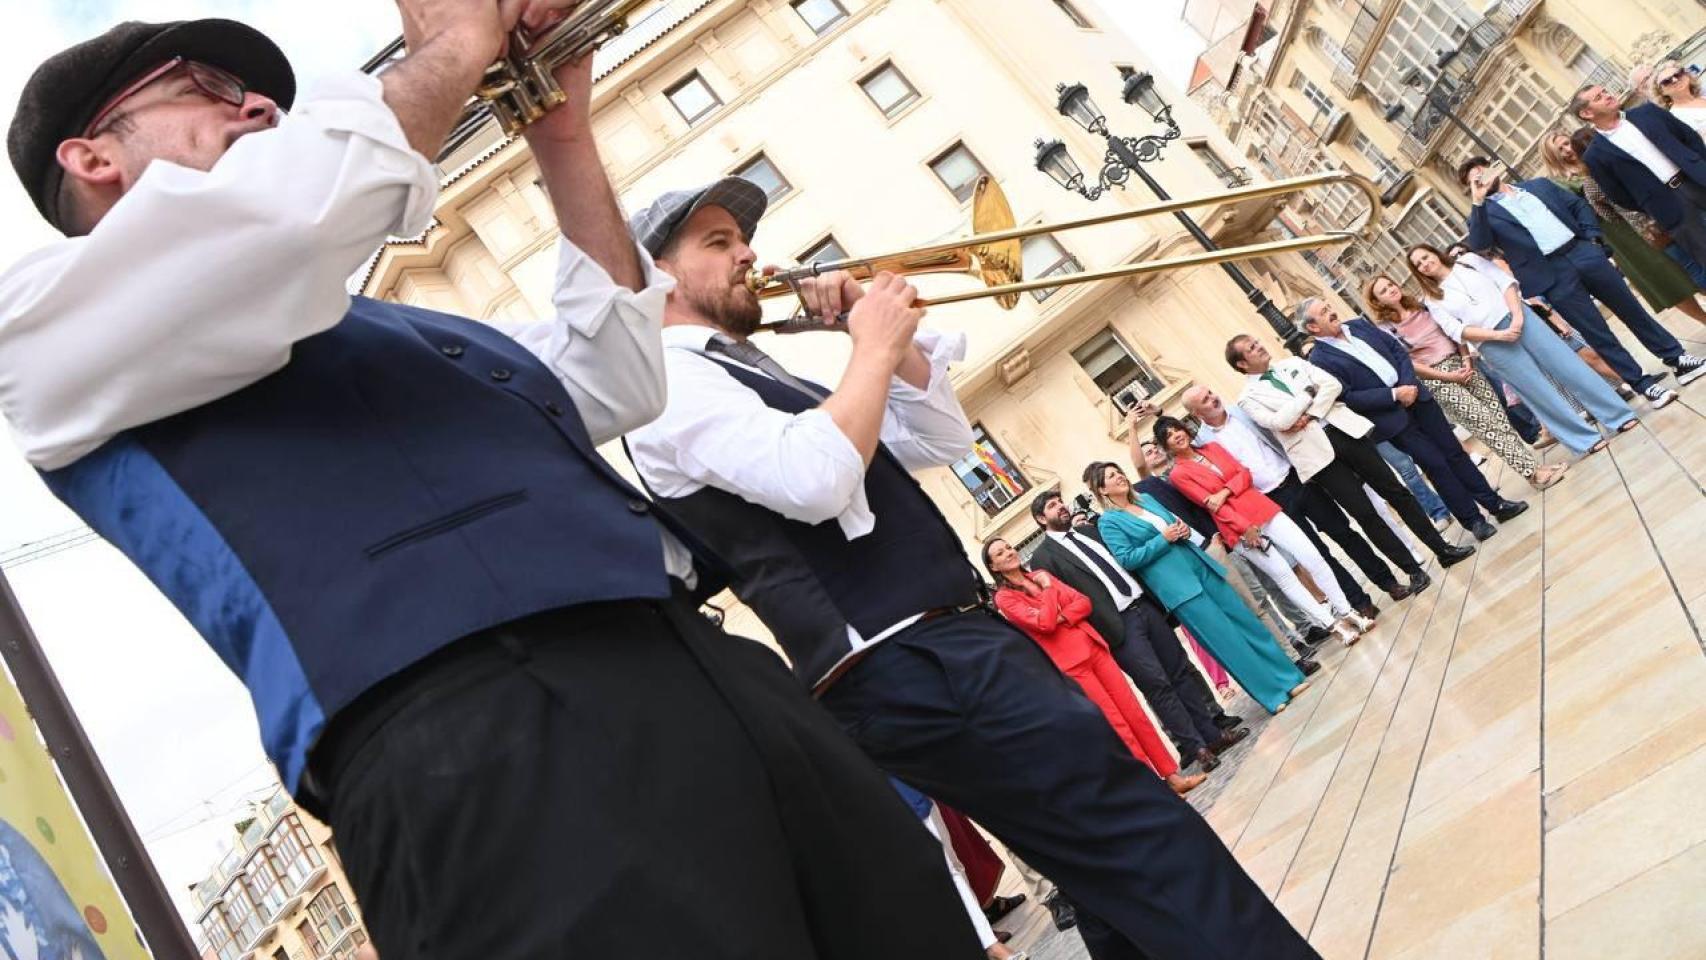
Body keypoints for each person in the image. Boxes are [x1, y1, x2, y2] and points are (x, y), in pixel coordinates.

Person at [0, 12, 986, 959]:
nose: (261, 105)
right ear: (94, 157)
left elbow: (615, 377)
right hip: (471, 732)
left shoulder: (396, 322)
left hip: (691, 662)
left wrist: (559, 133)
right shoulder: (40, 327)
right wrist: (455, 44)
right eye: (209, 90)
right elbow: (283, 224)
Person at [622, 182, 1317, 957]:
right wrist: (870, 346)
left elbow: (939, 442)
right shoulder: (670, 386)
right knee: (1136, 827)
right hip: (903, 657)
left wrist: (897, 347)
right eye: (717, 243)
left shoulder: (755, 373)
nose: (749, 251)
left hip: (939, 649)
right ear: (650, 279)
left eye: (739, 237)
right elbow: (813, 482)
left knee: (1100, 871)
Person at [1027, 492, 1248, 773]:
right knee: (1158, 685)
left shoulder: (1089, 531)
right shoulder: (1043, 558)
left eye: (1060, 502)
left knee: (1180, 670)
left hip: (1145, 607)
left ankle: (1213, 736)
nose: (1060, 507)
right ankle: (1197, 748)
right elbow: (1063, 599)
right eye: (1051, 506)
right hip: (1116, 626)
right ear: (1040, 519)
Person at [1458, 154, 1699, 403]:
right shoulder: (1482, 215)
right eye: (1473, 180)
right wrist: (1478, 202)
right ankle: (1643, 384)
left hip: (1582, 252)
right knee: (1597, 333)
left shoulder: (1538, 186)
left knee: (1633, 311)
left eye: (1481, 172)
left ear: (1493, 169)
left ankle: (1677, 358)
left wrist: (1592, 240)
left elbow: (1578, 205)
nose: (1480, 179)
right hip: (1552, 275)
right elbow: (1480, 244)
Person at [1227, 335, 1477, 572]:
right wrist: (1308, 393)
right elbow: (1280, 422)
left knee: (1396, 492)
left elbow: (1332, 385)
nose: (1259, 346)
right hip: (1317, 456)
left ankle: (1442, 549)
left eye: (1256, 342)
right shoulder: (1247, 398)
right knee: (1365, 513)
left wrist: (1310, 414)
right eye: (1251, 348)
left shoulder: (1292, 363)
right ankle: (1412, 569)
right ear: (1241, 364)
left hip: (1346, 432)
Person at [984, 539, 1209, 796]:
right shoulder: (1005, 598)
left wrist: (1062, 616)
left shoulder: (1040, 575)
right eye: (1000, 553)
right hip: (1071, 665)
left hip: (1095, 648)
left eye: (1008, 547)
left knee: (1135, 714)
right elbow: (1044, 624)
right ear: (994, 566)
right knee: (1117, 725)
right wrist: (1049, 594)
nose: (1009, 552)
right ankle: (1151, 788)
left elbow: (1082, 602)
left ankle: (1172, 776)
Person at [1297, 298, 1533, 541]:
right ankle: (1473, 520)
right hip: (1391, 419)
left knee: (1454, 452)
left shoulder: (1358, 325)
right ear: (1313, 327)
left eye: (1328, 307)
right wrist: (1393, 394)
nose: (1332, 312)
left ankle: (1496, 505)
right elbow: (1347, 396)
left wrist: (1407, 384)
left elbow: (1398, 351)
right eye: (1324, 312)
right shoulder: (1319, 360)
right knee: (1436, 464)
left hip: (1418, 398)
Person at [1091, 462, 1311, 715]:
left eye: (1118, 471)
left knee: (1248, 624)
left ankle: (1290, 679)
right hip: (1179, 589)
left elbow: (1174, 523)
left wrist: (1182, 529)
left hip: (1201, 566)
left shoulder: (1147, 499)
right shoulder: (1108, 522)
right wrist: (1162, 539)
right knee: (1228, 642)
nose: (1119, 476)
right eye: (1111, 476)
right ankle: (1271, 695)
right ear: (1102, 490)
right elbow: (1128, 558)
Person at [1178, 388, 1419, 611]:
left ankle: (1388, 583)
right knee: (1315, 552)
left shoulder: (1244, 411)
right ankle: (1359, 602)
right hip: (1268, 501)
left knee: (1344, 533)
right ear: (1196, 413)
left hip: (1297, 479)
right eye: (1205, 400)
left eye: (1211, 392)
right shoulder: (1202, 442)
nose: (1213, 398)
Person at [1153, 416, 1371, 646]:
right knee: (1285, 576)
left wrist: (1225, 491)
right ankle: (1332, 624)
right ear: (1166, 445)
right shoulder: (1179, 474)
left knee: (1312, 556)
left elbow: (1244, 473)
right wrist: (1244, 527)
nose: (1176, 435)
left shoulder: (1213, 447)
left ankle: (1347, 611)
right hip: (1238, 528)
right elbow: (1213, 506)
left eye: (1177, 429)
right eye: (1168, 435)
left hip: (1262, 507)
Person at [1407, 243, 1639, 456]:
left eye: (1425, 257)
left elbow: (1505, 282)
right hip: (1491, 342)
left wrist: (1517, 316)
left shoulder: (1469, 261)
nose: (1424, 264)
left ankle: (1618, 416)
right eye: (1418, 264)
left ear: (1435, 253)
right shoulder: (1432, 299)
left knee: (1570, 367)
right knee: (1538, 392)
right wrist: (1498, 335)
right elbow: (1456, 330)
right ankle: (1584, 440)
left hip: (1520, 317)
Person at [1124, 432, 1332, 667]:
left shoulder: (1188, 462)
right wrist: (1131, 425)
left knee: (1272, 579)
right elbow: (1141, 466)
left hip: (1232, 528)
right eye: (1147, 451)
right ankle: (1290, 641)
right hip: (1213, 544)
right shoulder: (1150, 485)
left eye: (1154, 447)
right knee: (1255, 596)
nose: (1153, 452)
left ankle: (1305, 627)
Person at [1363, 274, 1566, 489]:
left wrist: (1466, 359)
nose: (1391, 290)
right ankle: (1534, 473)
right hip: (1438, 379)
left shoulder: (1423, 307)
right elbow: (1409, 364)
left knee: (1500, 420)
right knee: (1486, 425)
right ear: (1377, 302)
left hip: (1464, 364)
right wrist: (1448, 376)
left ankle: (1533, 468)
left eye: (1390, 284)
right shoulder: (1385, 330)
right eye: (1383, 291)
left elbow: (1453, 330)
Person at [1576, 79, 1706, 356]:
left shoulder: (1646, 112)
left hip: (1698, 181)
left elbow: (1688, 138)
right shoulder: (1596, 155)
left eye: (1605, 91)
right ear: (1587, 113)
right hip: (1669, 207)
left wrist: (1699, 166)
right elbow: (1619, 196)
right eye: (1599, 96)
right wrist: (1653, 201)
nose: (1608, 94)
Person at [1542, 127, 1706, 309]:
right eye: (1560, 150)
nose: (1567, 150)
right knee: (1688, 266)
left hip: (1647, 226)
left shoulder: (1590, 181)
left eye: (1567, 144)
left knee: (1691, 265)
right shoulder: (1598, 170)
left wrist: (1628, 215)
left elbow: (1607, 213)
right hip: (1652, 223)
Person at [1653, 59, 1706, 132]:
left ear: (1686, 75)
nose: (1675, 80)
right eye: (1667, 81)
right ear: (1661, 91)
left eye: (1678, 74)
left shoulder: (1702, 96)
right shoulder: (1676, 117)